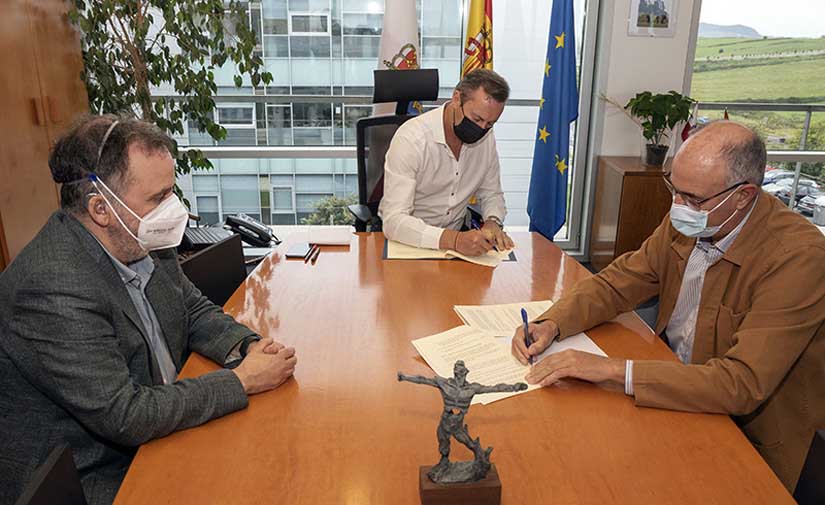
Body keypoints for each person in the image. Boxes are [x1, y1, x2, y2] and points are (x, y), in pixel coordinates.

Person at [511, 121, 825, 491]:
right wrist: (553, 323)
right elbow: (618, 283)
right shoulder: (694, 219)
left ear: (744, 196)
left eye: (692, 199)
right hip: (669, 382)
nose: (677, 206)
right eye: (674, 190)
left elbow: (741, 383)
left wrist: (612, 370)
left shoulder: (798, 258)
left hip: (747, 431)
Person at [0, 115, 298, 505]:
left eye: (172, 193)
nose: (174, 210)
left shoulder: (139, 236)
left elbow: (190, 309)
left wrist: (250, 348)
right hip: (96, 474)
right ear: (100, 208)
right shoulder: (53, 287)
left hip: (159, 429)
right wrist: (242, 380)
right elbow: (126, 415)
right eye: (159, 198)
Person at [379, 68, 515, 255]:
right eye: (477, 119)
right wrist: (454, 240)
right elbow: (394, 221)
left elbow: (492, 193)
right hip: (407, 244)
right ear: (456, 98)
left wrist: (492, 221)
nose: (482, 129)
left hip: (456, 247)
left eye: (490, 124)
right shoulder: (412, 139)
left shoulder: (486, 138)